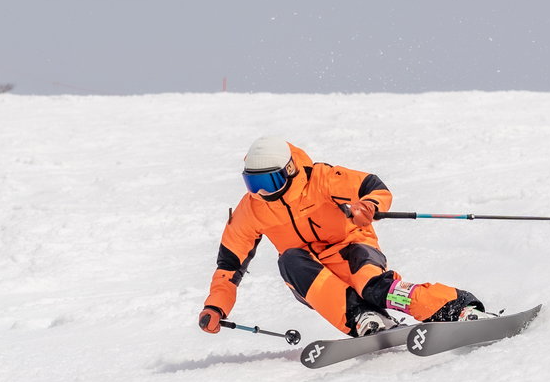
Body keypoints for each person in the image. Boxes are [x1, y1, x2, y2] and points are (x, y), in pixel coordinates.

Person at [199, 136, 491, 339]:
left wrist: (369, 206)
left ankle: (456, 307)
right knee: (289, 259)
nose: (262, 192)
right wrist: (216, 306)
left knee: (375, 287)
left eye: (268, 182)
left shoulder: (321, 178)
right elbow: (229, 265)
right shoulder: (251, 209)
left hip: (351, 248)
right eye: (253, 183)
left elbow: (373, 187)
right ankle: (363, 318)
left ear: (288, 170)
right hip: (310, 272)